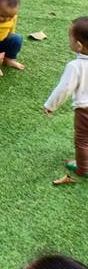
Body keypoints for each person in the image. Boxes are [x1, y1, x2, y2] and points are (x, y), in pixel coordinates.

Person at [44, 16, 88, 178]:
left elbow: (64, 89)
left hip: (85, 111)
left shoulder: (75, 66)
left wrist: (51, 105)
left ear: (79, 45)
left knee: (82, 140)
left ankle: (83, 168)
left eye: (70, 37)